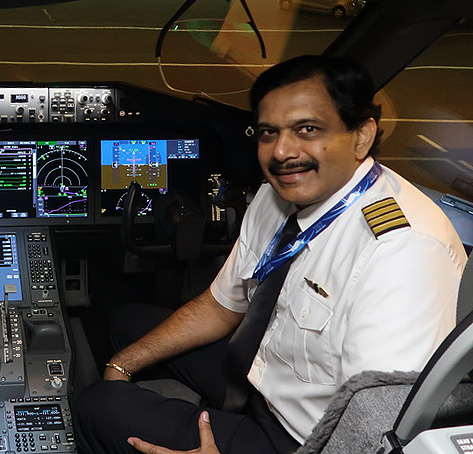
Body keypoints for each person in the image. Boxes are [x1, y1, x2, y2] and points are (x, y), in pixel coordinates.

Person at [75, 55, 467, 454]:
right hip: (264, 374)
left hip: (303, 440)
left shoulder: (401, 252)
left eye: (307, 129)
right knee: (128, 325)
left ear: (362, 136)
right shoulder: (278, 195)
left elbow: (375, 431)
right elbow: (221, 305)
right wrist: (121, 364)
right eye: (268, 133)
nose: (281, 152)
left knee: (97, 406)